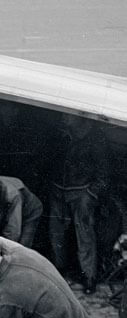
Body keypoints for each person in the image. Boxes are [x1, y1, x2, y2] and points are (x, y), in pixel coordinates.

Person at [48, 115, 110, 294]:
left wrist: (90, 194)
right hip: (58, 190)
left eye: (69, 116)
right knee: (55, 233)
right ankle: (57, 272)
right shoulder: (62, 134)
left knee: (85, 236)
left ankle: (89, 277)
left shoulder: (95, 139)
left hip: (81, 192)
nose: (64, 117)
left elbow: (104, 174)